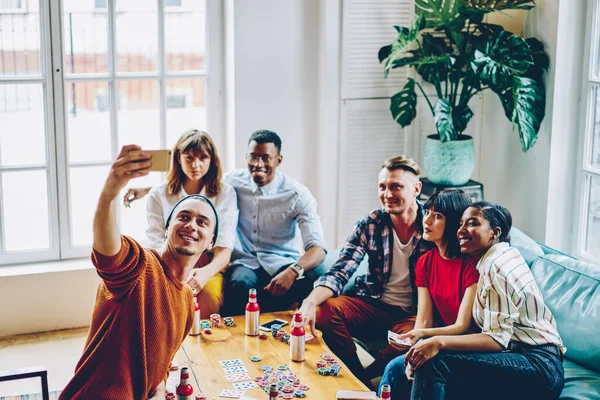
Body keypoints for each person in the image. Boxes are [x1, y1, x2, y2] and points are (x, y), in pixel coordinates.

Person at [59, 145, 218, 399]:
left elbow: (161, 365)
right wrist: (111, 190)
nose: (191, 225)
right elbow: (108, 251)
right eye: (183, 217)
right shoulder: (141, 264)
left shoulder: (187, 300)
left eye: (202, 222)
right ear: (167, 229)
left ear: (210, 242)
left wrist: (158, 388)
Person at [408, 201, 565, 400]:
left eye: (473, 223)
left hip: (539, 366)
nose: (462, 230)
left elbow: (497, 339)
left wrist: (438, 342)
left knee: (434, 363)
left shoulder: (495, 266)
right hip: (523, 358)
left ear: (495, 232)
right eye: (461, 224)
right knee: (441, 370)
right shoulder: (504, 254)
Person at [298, 155, 432, 387]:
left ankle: (367, 378)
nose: (387, 194)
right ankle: (355, 375)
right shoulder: (370, 223)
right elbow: (339, 271)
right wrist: (309, 303)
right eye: (382, 187)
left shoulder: (432, 225)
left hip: (412, 313)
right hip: (373, 303)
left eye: (396, 186)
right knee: (324, 310)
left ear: (416, 189)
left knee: (410, 338)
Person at [124, 129, 238, 317]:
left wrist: (204, 273)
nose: (196, 164)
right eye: (189, 158)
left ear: (212, 160)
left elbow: (224, 249)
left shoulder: (225, 193)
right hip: (166, 262)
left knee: (209, 296)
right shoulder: (158, 194)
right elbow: (155, 243)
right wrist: (175, 274)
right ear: (178, 158)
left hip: (207, 264)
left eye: (203, 158)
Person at [378, 189, 479, 398]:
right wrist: (412, 347)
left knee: (398, 369)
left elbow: (464, 327)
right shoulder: (425, 262)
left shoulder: (471, 265)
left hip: (465, 346)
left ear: (454, 224)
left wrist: (422, 337)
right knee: (396, 368)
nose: (427, 220)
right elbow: (423, 320)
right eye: (428, 212)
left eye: (438, 216)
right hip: (437, 341)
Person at [222, 130, 327, 315]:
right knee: (240, 284)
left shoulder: (297, 194)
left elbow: (318, 249)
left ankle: (262, 312)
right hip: (245, 263)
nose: (258, 164)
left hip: (282, 262)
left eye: (265, 158)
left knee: (316, 277)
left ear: (279, 160)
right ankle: (267, 314)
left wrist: (294, 271)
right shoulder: (231, 182)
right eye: (253, 157)